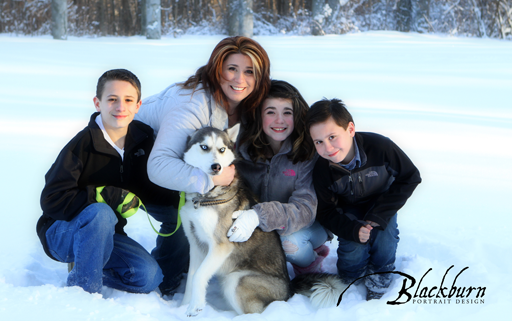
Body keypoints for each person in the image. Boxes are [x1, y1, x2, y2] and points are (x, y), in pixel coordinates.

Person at [135, 36, 271, 293]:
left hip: (182, 166)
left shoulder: (245, 104)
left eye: (249, 71)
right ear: (216, 69)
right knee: (186, 211)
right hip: (135, 165)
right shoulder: (192, 104)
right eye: (232, 69)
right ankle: (167, 275)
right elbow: (160, 167)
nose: (240, 79)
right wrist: (212, 180)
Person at [36, 69, 178, 294]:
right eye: (112, 99)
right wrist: (105, 195)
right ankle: (84, 292)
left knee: (149, 277)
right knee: (101, 212)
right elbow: (52, 200)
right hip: (62, 232)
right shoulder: (81, 146)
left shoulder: (142, 139)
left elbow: (149, 185)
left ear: (138, 106)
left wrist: (180, 197)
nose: (120, 107)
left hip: (107, 234)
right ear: (97, 103)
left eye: (128, 100)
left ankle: (89, 266)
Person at [306, 98, 421, 300]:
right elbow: (325, 212)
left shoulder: (380, 148)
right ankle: (351, 275)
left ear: (350, 129)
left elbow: (410, 177)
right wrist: (351, 229)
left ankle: (381, 271)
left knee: (385, 236)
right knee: (354, 247)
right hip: (348, 211)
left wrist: (381, 213)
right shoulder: (322, 170)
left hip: (380, 204)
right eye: (319, 142)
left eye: (333, 136)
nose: (327, 147)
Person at [230, 80, 332, 275]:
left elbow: (305, 210)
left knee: (289, 243)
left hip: (308, 225)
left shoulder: (308, 153)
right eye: (270, 112)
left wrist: (260, 215)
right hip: (264, 223)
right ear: (259, 115)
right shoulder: (244, 150)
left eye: (287, 112)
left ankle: (310, 266)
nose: (280, 120)